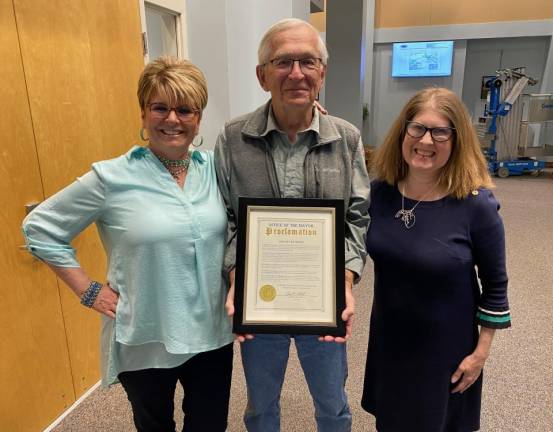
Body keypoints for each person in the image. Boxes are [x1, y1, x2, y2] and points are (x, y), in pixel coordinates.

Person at [22, 56, 233, 432]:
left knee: (209, 426)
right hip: (145, 336)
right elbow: (40, 227)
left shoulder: (215, 169)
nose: (172, 119)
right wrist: (89, 291)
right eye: (160, 108)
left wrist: (296, 122)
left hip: (212, 335)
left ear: (198, 118)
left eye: (185, 109)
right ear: (143, 113)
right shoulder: (111, 177)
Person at [214, 18, 370, 432]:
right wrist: (235, 276)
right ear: (262, 75)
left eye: (308, 61)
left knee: (333, 403)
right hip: (258, 303)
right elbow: (226, 218)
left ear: (322, 73)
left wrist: (347, 281)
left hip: (324, 302)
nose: (296, 73)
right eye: (283, 62)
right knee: (260, 406)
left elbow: (357, 216)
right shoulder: (232, 139)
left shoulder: (347, 139)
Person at [362, 87, 511, 431]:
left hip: (445, 351)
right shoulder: (380, 193)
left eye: (440, 132)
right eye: (417, 128)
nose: (426, 141)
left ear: (457, 140)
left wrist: (480, 354)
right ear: (403, 132)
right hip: (390, 340)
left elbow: (496, 285)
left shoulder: (476, 205)